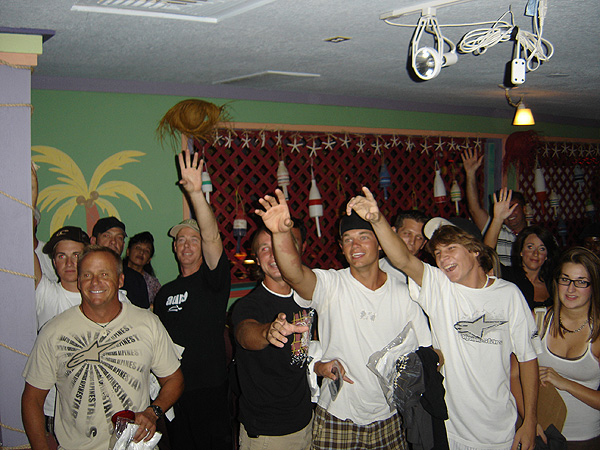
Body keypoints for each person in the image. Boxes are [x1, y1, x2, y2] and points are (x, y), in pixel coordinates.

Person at [346, 186, 541, 450]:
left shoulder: (508, 294)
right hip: (450, 431)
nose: (442, 257)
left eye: (450, 248)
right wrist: (377, 220)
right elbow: (403, 260)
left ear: (474, 250)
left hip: (499, 429)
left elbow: (528, 359)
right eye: (437, 252)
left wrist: (530, 420)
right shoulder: (439, 287)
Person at [256, 189, 432, 450]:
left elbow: (428, 352)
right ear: (341, 247)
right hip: (337, 416)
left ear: (380, 243)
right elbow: (294, 274)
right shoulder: (331, 284)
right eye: (347, 240)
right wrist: (281, 233)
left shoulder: (404, 294)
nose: (355, 246)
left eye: (364, 237)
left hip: (390, 416)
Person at [22, 245, 184, 450]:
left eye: (104, 274)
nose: (95, 281)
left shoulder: (147, 323)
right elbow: (32, 399)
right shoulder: (54, 331)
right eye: (87, 275)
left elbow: (174, 379)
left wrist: (153, 412)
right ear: (79, 281)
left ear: (120, 280)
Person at [153, 150, 232, 450]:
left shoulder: (213, 280)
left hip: (209, 389)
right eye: (180, 240)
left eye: (193, 239)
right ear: (174, 248)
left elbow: (213, 238)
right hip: (174, 389)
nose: (186, 245)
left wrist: (196, 194)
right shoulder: (164, 293)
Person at [232, 225, 313, 450]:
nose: (274, 254)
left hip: (307, 421)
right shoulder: (248, 305)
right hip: (268, 432)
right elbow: (245, 333)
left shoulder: (307, 297)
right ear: (257, 260)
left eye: (278, 246)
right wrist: (267, 332)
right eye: (265, 249)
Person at [537, 247, 600, 449]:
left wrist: (564, 383)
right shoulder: (538, 319)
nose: (571, 289)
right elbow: (514, 375)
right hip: (539, 434)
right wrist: (529, 419)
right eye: (565, 279)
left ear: (594, 286)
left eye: (581, 282)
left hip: (584, 439)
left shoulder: (597, 333)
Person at [485, 189, 559, 310]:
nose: (535, 253)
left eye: (541, 249)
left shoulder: (553, 282)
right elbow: (486, 255)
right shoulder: (509, 276)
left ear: (547, 255)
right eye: (530, 247)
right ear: (521, 251)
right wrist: (497, 219)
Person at [462, 149, 527, 266]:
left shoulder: (535, 235)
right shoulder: (496, 229)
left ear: (524, 209)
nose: (509, 213)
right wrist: (470, 174)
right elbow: (474, 209)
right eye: (505, 209)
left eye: (513, 207)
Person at [91, 216, 150, 309]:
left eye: (119, 238)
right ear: (93, 241)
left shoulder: (135, 280)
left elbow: (143, 315)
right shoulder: (84, 275)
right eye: (107, 236)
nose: (113, 242)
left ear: (123, 245)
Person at [379, 209, 429, 282]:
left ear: (423, 244)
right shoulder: (376, 270)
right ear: (393, 232)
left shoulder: (427, 275)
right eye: (407, 234)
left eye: (419, 238)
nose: (412, 242)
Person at [124, 231, 162, 307]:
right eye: (138, 248)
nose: (141, 252)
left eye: (146, 251)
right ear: (128, 251)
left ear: (149, 260)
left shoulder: (153, 284)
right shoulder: (117, 273)